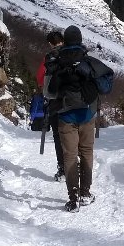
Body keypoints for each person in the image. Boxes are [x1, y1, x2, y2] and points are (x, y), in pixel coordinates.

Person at [43, 24, 97, 212]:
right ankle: (85, 193)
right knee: (87, 152)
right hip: (87, 114)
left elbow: (48, 93)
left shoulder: (55, 61)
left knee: (70, 155)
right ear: (80, 40)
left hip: (65, 116)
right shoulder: (88, 61)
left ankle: (73, 198)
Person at [36, 30, 65, 180]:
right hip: (75, 101)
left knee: (58, 136)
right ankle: (76, 163)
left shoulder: (48, 58)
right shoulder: (74, 54)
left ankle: (63, 168)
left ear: (50, 43)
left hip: (55, 102)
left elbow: (40, 79)